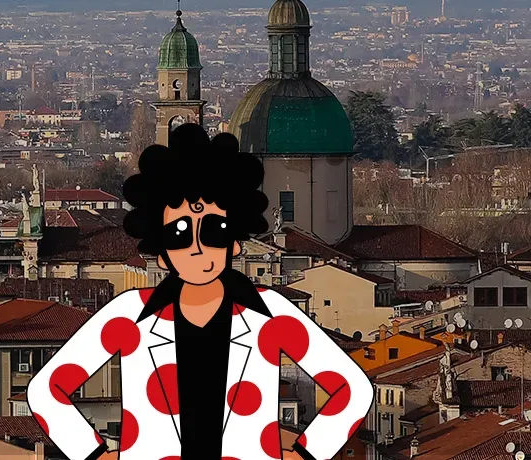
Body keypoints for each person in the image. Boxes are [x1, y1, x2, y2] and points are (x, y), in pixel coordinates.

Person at [25, 124, 371, 460]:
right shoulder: (130, 315)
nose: (196, 247)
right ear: (161, 250)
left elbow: (353, 390)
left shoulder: (271, 314)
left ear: (235, 243)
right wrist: (95, 454)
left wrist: (307, 453)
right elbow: (46, 392)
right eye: (179, 234)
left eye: (214, 231)